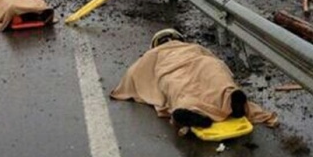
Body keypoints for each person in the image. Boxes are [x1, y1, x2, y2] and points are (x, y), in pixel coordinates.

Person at [110, 28, 278, 132]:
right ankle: (230, 98)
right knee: (214, 74)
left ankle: (191, 110)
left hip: (172, 69)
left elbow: (134, 73)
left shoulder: (152, 54)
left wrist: (120, 91)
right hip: (198, 63)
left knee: (178, 87)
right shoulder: (193, 47)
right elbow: (215, 61)